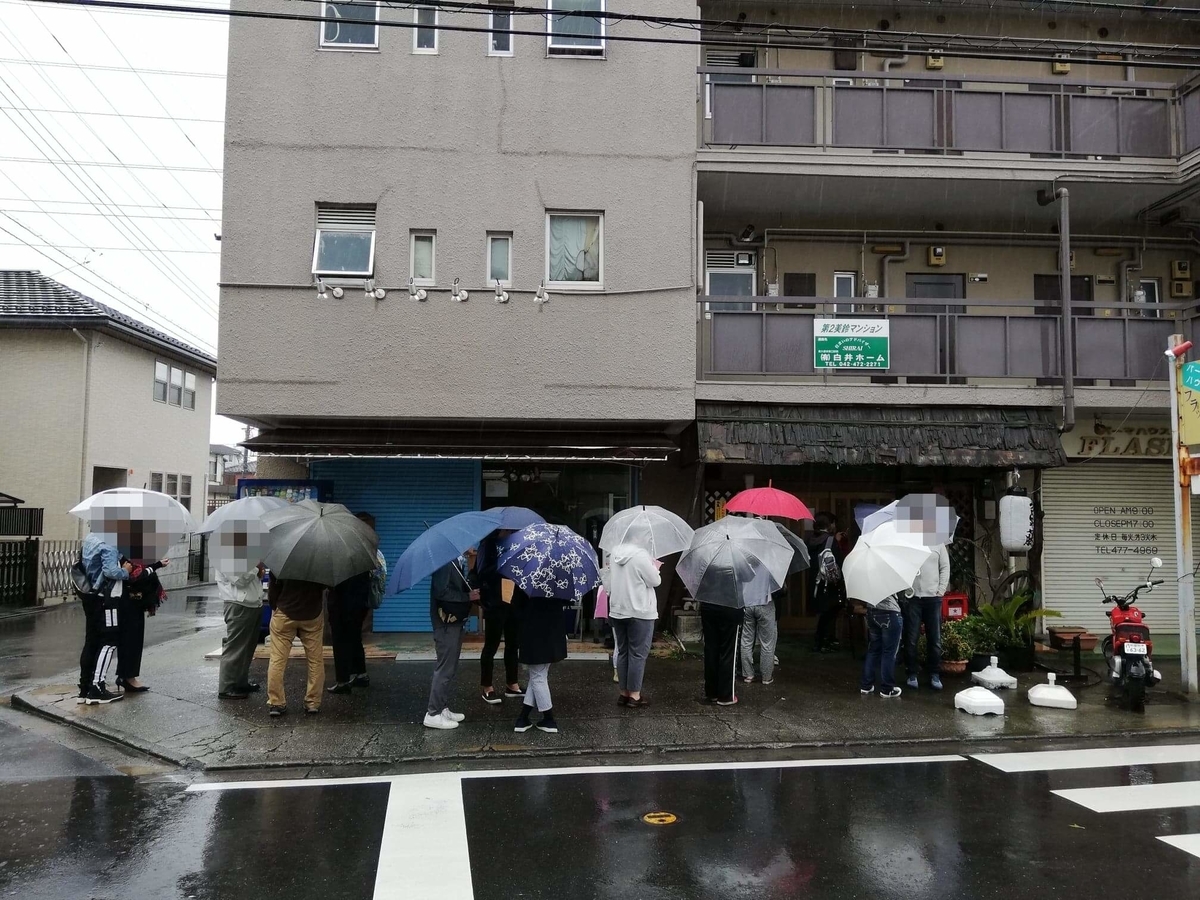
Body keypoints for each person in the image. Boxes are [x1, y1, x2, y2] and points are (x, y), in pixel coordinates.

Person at [425, 549, 478, 730]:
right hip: (445, 624)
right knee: (445, 668)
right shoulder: (445, 562)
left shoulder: (454, 561)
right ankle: (433, 713)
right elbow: (441, 592)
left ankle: (442, 707)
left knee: (450, 667)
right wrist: (467, 596)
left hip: (453, 623)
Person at [604, 543, 661, 709]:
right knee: (637, 654)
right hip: (640, 611)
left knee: (623, 651)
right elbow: (655, 581)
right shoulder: (641, 555)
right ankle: (635, 695)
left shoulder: (614, 552)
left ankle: (623, 693)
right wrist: (655, 567)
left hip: (618, 609)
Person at [78, 528, 131, 705]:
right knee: (109, 642)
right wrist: (125, 571)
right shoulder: (110, 542)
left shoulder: (91, 538)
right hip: (106, 599)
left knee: (91, 641)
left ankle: (84, 688)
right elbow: (110, 572)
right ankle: (97, 687)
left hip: (90, 596)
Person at [327, 513, 378, 695]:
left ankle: (342, 681)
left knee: (340, 641)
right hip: (359, 604)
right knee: (355, 637)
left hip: (342, 606)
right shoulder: (364, 550)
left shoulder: (339, 554)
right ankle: (361, 674)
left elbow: (336, 583)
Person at [266, 576, 327, 716]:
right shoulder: (320, 561)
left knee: (277, 660)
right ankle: (313, 703)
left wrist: (274, 607)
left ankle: (276, 703)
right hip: (312, 613)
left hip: (285, 612)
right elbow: (325, 586)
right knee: (315, 660)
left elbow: (273, 588)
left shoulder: (283, 558)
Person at [512, 586, 569, 734]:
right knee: (539, 675)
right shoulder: (558, 575)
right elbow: (566, 600)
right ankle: (523, 718)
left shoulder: (527, 577)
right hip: (553, 629)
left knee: (537, 676)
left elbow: (516, 606)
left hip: (532, 630)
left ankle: (549, 719)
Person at [476, 532, 523, 704]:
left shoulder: (516, 543)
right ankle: (487, 686)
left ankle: (512, 684)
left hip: (513, 601)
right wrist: (503, 564)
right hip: (495, 603)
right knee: (491, 646)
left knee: (513, 645)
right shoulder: (488, 544)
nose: (510, 531)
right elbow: (481, 572)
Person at [115, 554, 168, 693]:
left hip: (133, 603)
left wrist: (156, 564)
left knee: (132, 640)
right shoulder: (126, 556)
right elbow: (135, 577)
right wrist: (156, 566)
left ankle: (126, 676)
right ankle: (127, 677)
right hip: (128, 603)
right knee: (131, 640)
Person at [217, 556, 266, 701]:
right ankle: (226, 687)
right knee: (235, 647)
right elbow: (239, 579)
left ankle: (240, 682)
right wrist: (257, 566)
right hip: (238, 604)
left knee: (247, 647)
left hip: (252, 604)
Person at [905, 542, 951, 691]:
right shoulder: (908, 542)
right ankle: (912, 673)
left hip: (933, 597)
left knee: (935, 639)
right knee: (911, 639)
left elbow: (945, 567)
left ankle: (934, 674)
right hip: (913, 597)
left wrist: (941, 590)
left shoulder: (938, 544)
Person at [808, 512, 846, 653]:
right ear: (829, 525)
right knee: (829, 612)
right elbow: (839, 561)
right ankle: (823, 641)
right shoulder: (830, 540)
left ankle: (820, 641)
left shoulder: (810, 540)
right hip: (828, 583)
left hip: (815, 581)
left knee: (823, 613)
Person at [860, 591, 905, 698]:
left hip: (872, 611)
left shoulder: (869, 575)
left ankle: (866, 685)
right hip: (890, 611)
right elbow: (902, 595)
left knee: (873, 650)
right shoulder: (892, 575)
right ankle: (887, 688)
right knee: (889, 652)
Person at [701, 600, 743, 706]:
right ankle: (726, 695)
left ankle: (712, 692)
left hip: (708, 605)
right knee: (729, 650)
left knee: (711, 649)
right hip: (730, 606)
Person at [740, 566, 778, 686]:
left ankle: (748, 674)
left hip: (747, 603)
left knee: (746, 640)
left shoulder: (744, 560)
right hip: (765, 602)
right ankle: (766, 677)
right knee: (767, 642)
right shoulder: (769, 561)